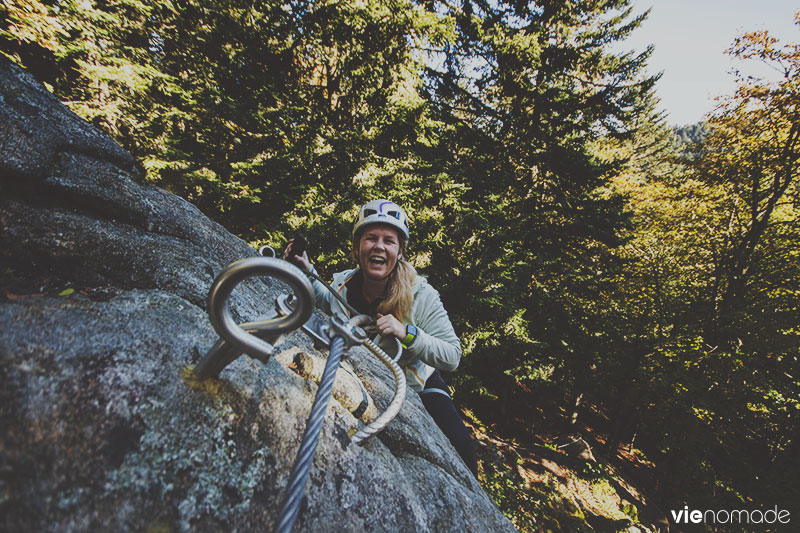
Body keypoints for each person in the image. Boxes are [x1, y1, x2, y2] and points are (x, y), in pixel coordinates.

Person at [284, 199, 479, 477]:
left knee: (461, 445)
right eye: (370, 238)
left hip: (416, 383)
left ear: (400, 252)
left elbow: (452, 356)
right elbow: (327, 299)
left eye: (389, 241)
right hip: (368, 380)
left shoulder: (421, 296)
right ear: (357, 248)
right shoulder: (344, 284)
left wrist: (407, 333)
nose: (379, 246)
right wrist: (306, 270)